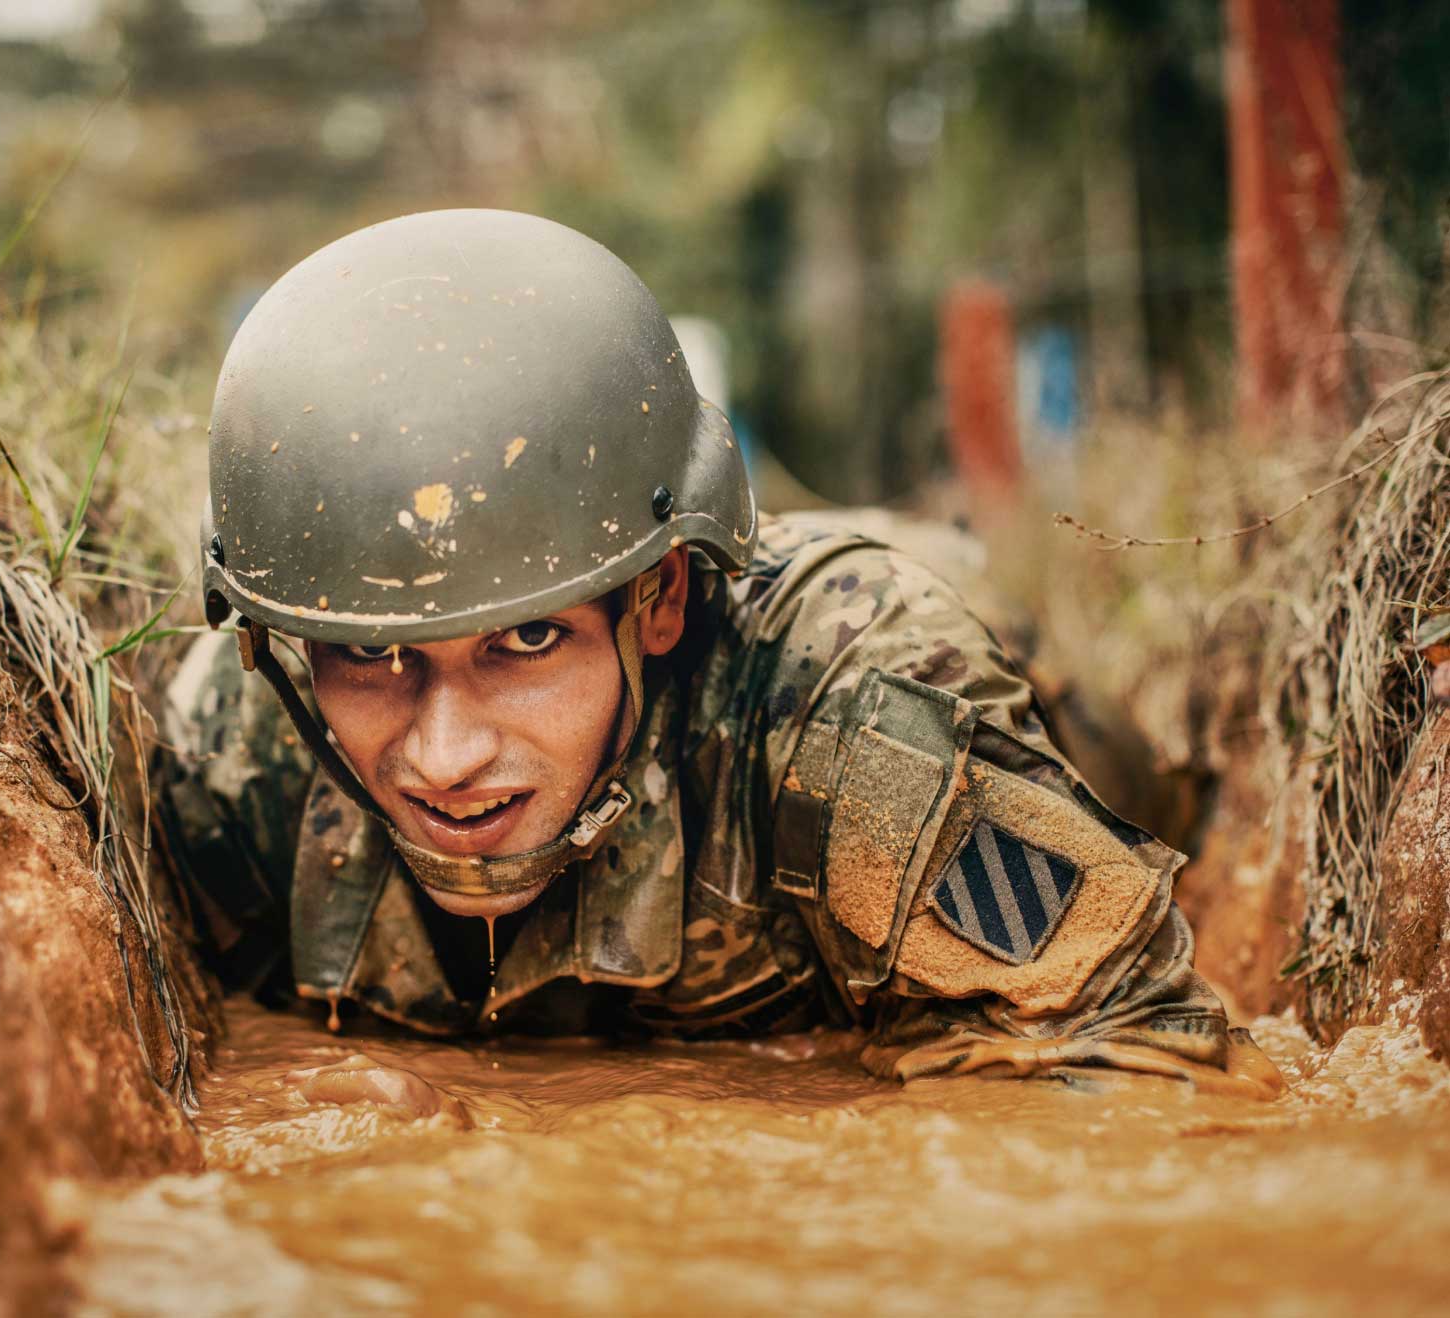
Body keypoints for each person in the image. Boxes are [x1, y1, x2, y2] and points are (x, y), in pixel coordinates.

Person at [159, 209, 1278, 1094]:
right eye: (372, 655)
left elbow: (1135, 1060)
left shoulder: (852, 717)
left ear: (659, 601)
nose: (441, 755)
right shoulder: (237, 756)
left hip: (1029, 699)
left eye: (526, 639)